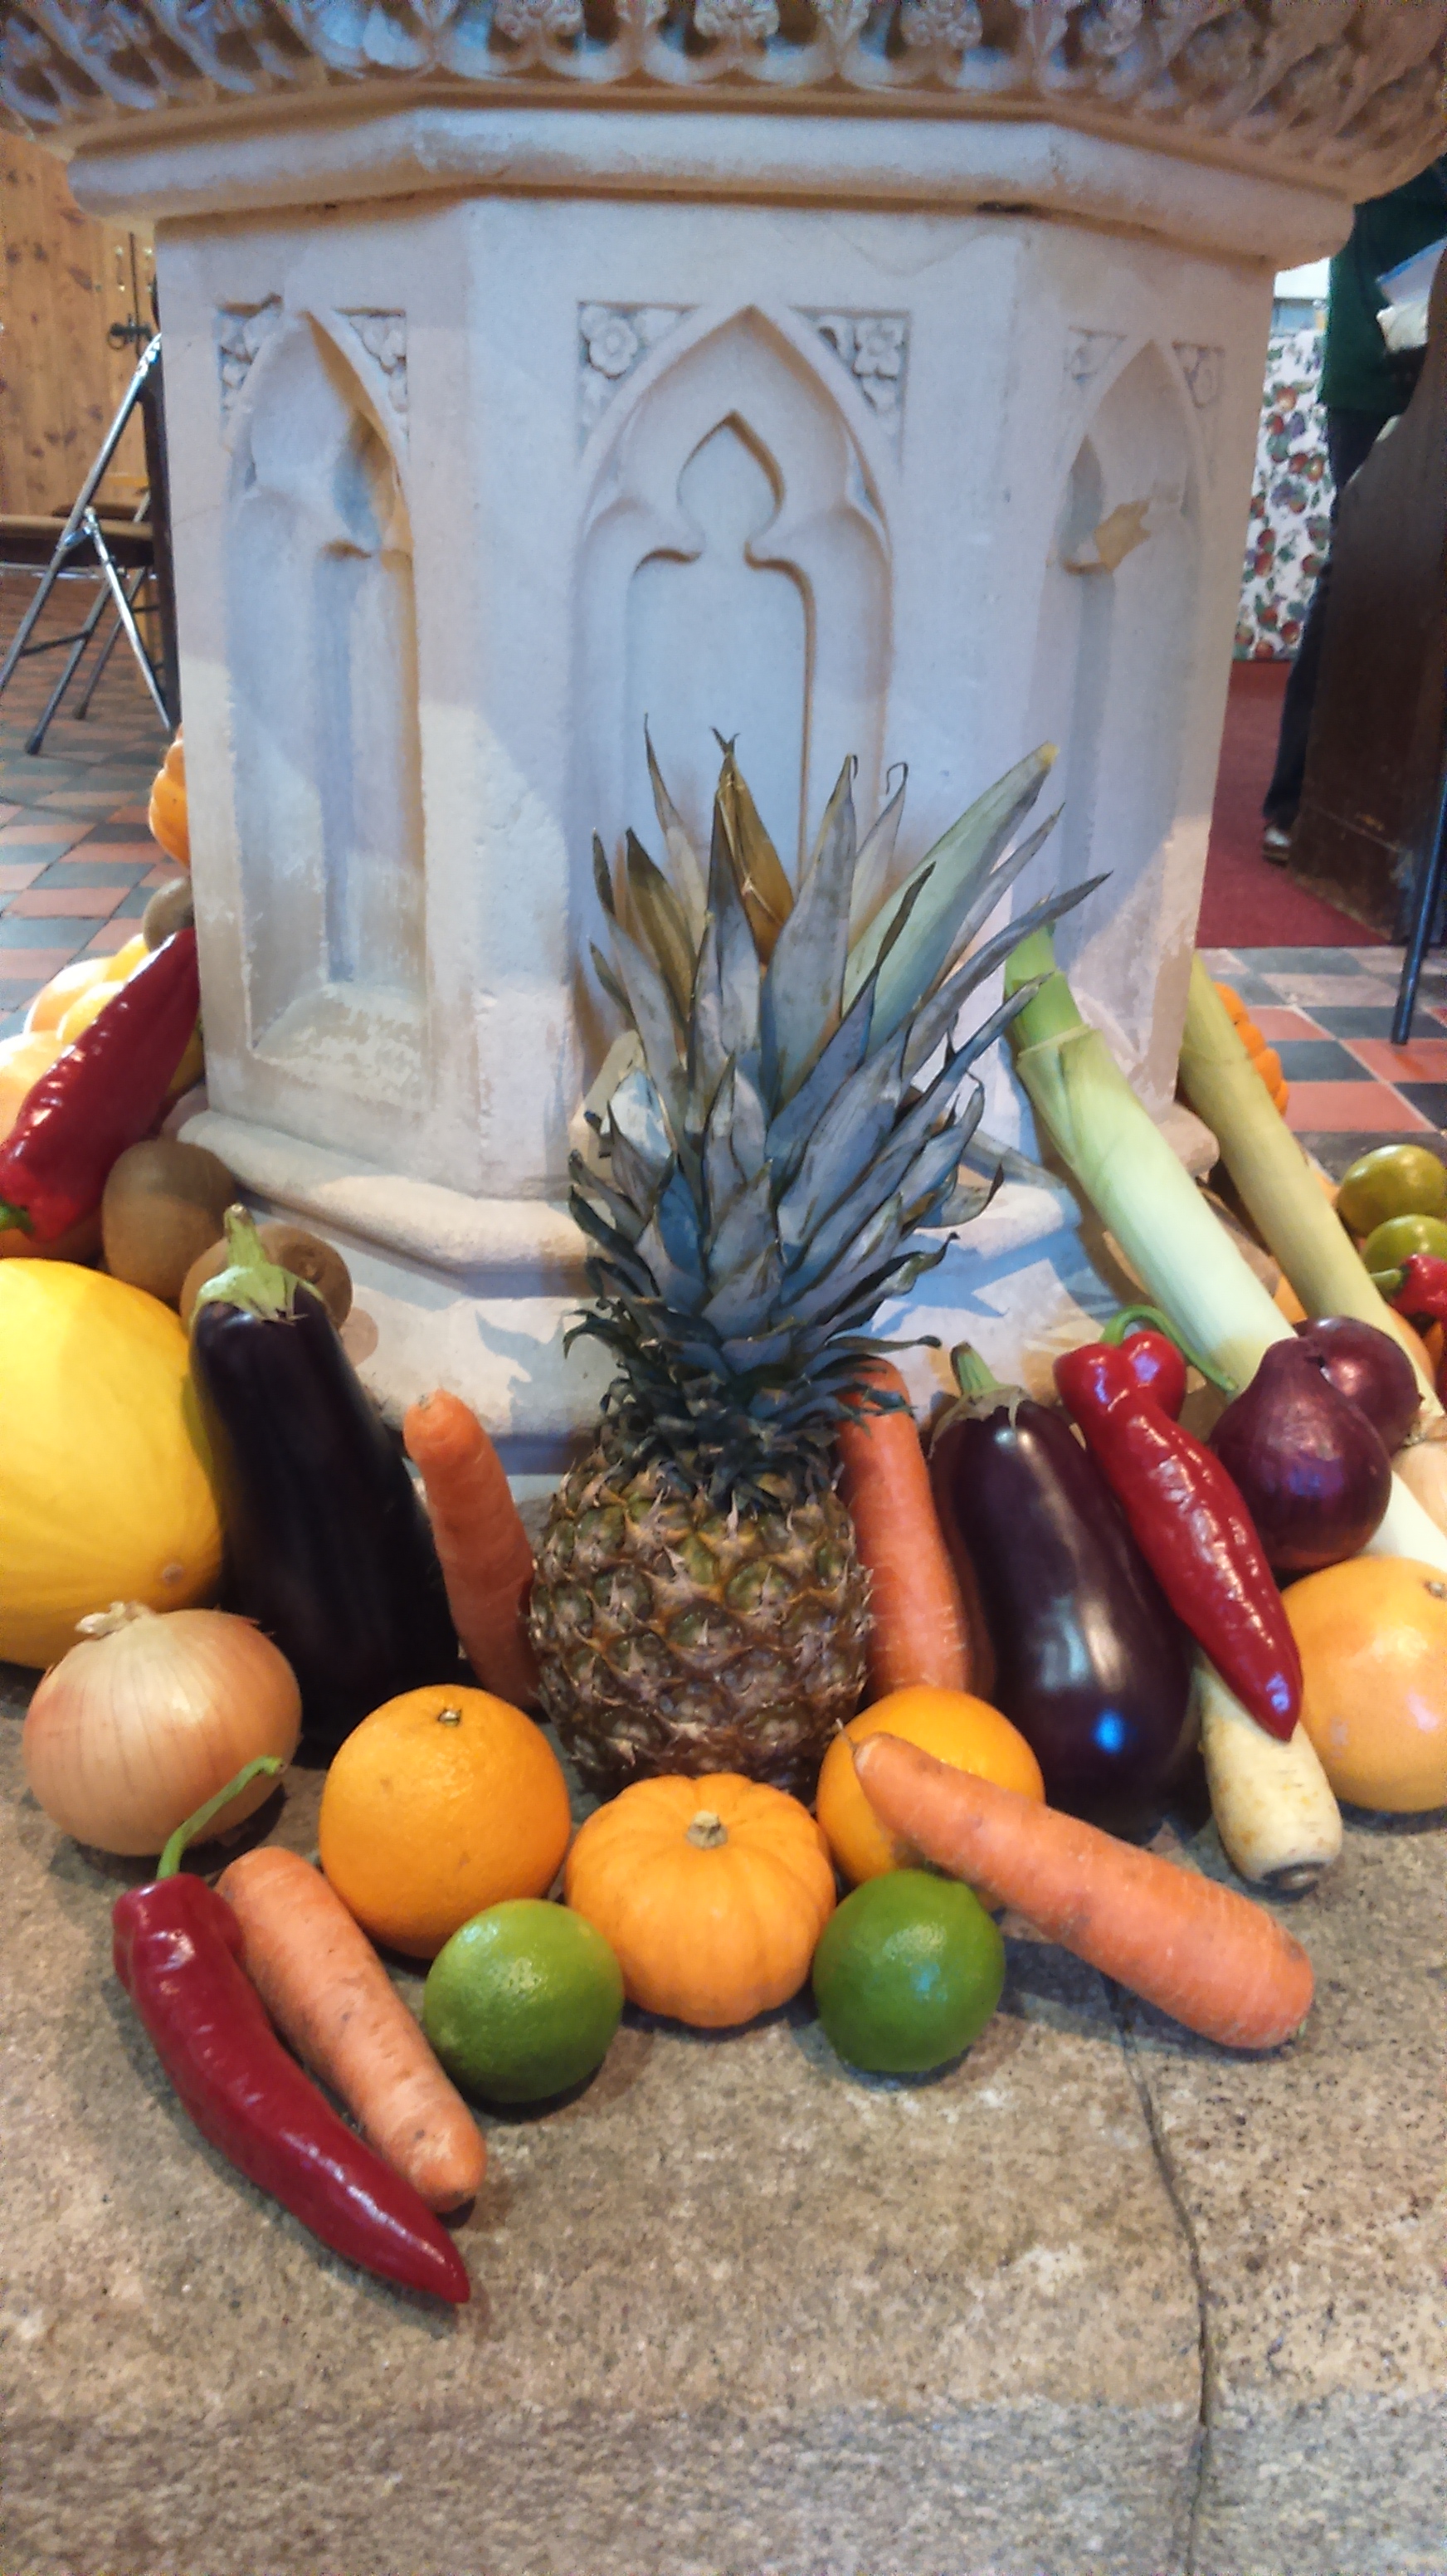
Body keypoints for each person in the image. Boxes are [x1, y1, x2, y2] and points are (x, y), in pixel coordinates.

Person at [1261, 156, 1447, 860]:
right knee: (1358, 575)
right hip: (1377, 374)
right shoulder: (1399, 118)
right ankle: (1299, 799)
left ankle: (1404, 812)